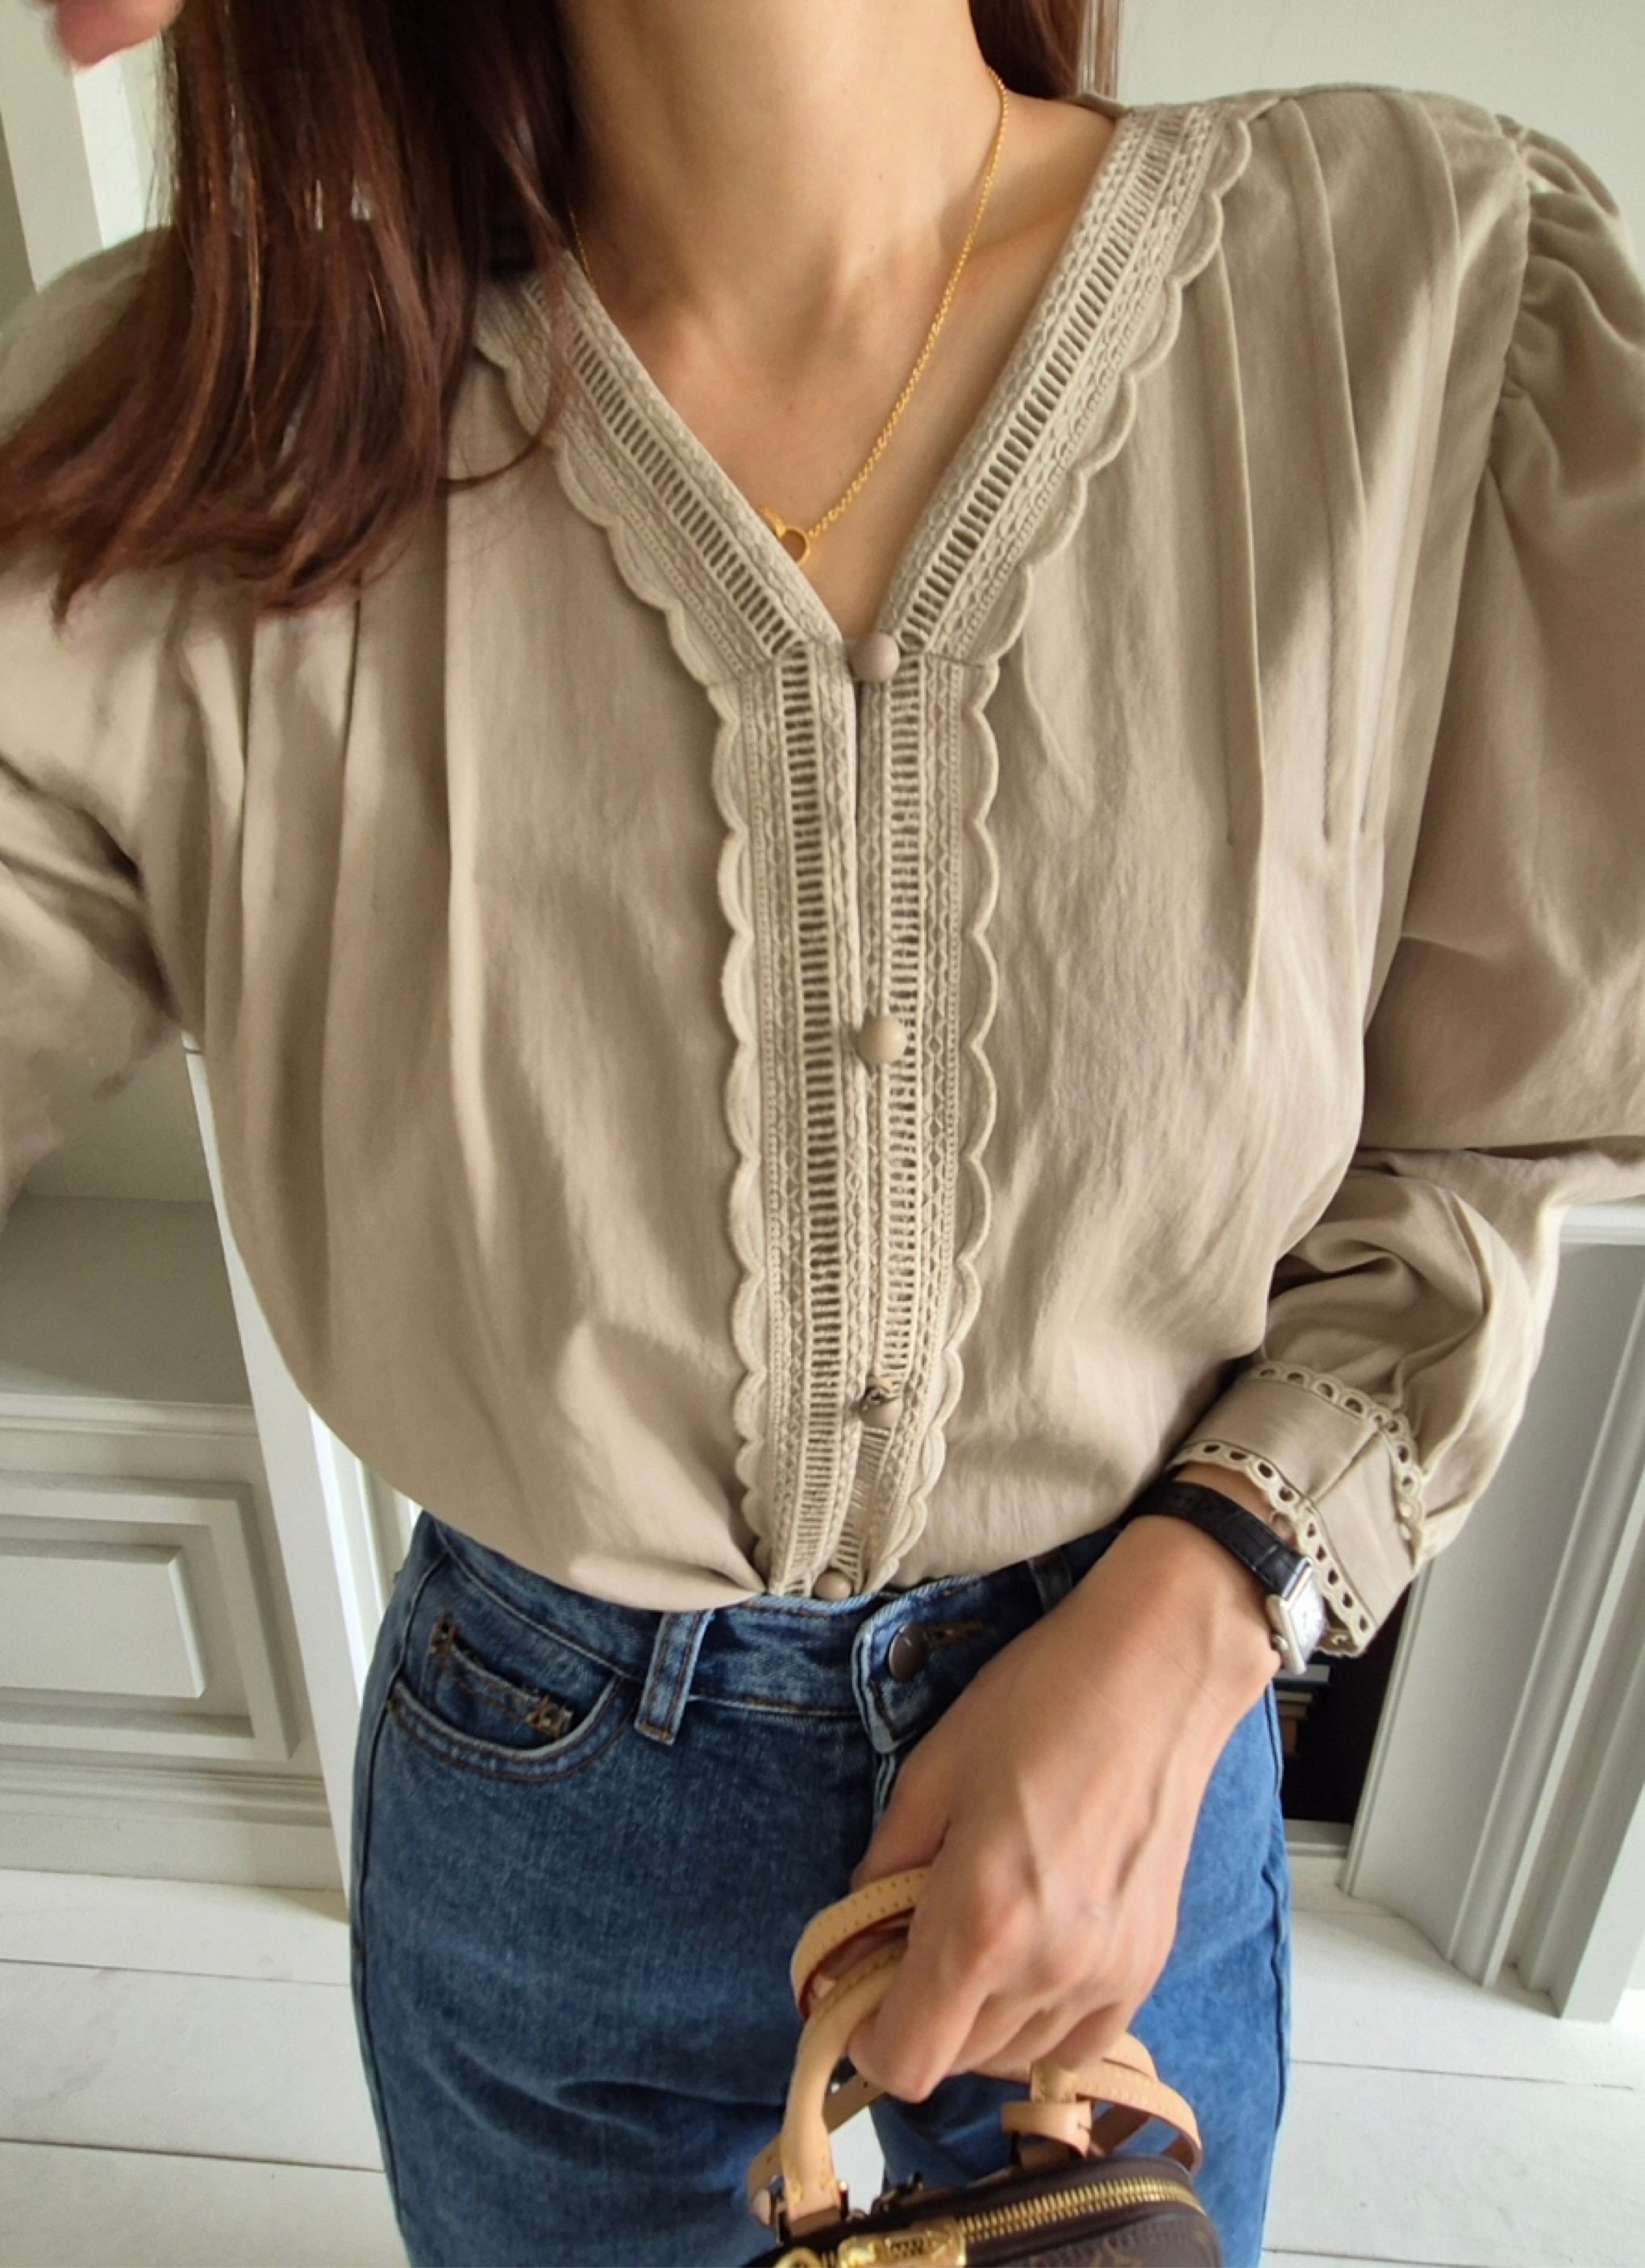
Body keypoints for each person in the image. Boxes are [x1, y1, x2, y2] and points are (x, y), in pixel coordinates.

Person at [3, 4, 1643, 2264]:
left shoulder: (1413, 298)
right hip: (535, 1798)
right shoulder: (209, 421)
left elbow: (1488, 1131)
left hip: (1137, 1787)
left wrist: (1197, 1622)